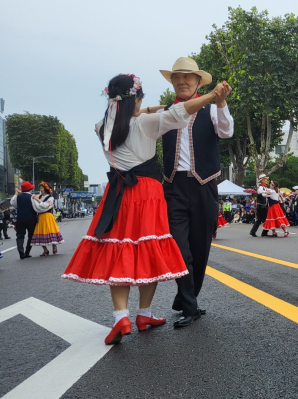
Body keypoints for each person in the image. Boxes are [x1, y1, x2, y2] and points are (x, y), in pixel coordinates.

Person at [62, 73, 223, 344]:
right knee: (150, 248)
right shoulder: (146, 124)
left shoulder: (101, 126)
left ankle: (120, 316)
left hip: (117, 193)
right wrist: (211, 96)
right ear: (135, 98)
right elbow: (180, 111)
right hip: (147, 192)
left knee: (119, 248)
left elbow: (130, 113)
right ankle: (144, 313)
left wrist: (141, 108)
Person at [159, 57, 235, 328]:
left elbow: (226, 133)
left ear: (197, 82)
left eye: (187, 78)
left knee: (200, 249)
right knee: (179, 249)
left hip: (204, 185)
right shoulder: (166, 112)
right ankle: (190, 305)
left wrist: (222, 102)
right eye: (176, 78)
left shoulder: (212, 109)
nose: (181, 82)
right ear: (172, 82)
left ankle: (187, 297)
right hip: (173, 186)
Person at [30, 182, 64, 256]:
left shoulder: (50, 198)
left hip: (48, 216)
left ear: (46, 189)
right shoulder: (39, 196)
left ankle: (54, 246)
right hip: (40, 217)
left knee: (50, 231)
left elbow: (45, 205)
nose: (40, 190)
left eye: (42, 188)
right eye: (40, 188)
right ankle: (45, 250)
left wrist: (37, 199)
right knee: (40, 233)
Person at [11, 181, 38, 259]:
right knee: (31, 236)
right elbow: (37, 207)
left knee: (20, 236)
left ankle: (21, 251)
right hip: (31, 219)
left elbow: (12, 203)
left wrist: (16, 193)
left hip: (20, 219)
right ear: (30, 189)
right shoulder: (32, 197)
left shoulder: (18, 197)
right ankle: (27, 252)